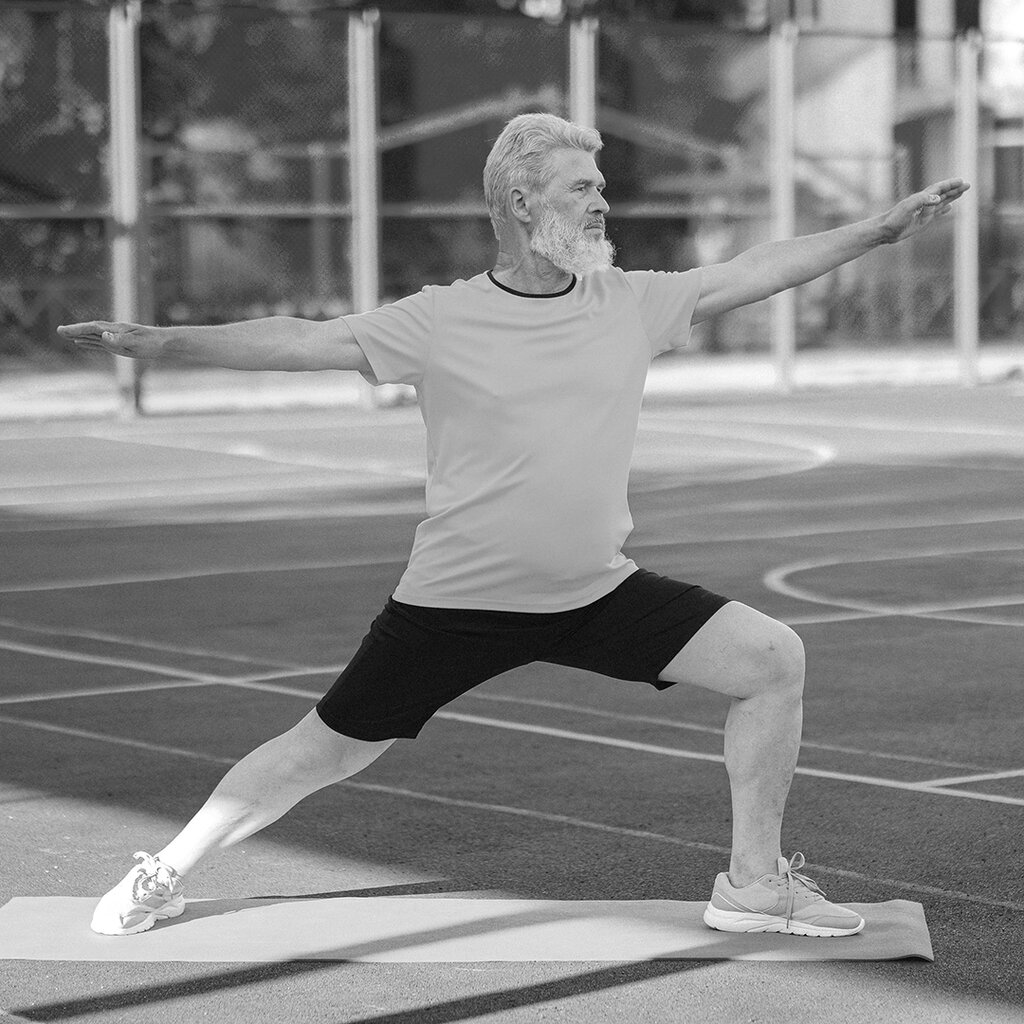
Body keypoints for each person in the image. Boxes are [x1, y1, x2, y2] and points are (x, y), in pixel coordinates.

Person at [59, 113, 967, 939]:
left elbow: (756, 268)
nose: (602, 202)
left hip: (594, 592)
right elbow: (304, 337)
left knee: (771, 659)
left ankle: (754, 887)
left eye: (601, 187)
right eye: (582, 187)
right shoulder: (442, 318)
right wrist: (164, 343)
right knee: (322, 753)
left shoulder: (630, 304)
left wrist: (879, 231)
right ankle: (164, 872)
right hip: (457, 603)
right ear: (522, 203)